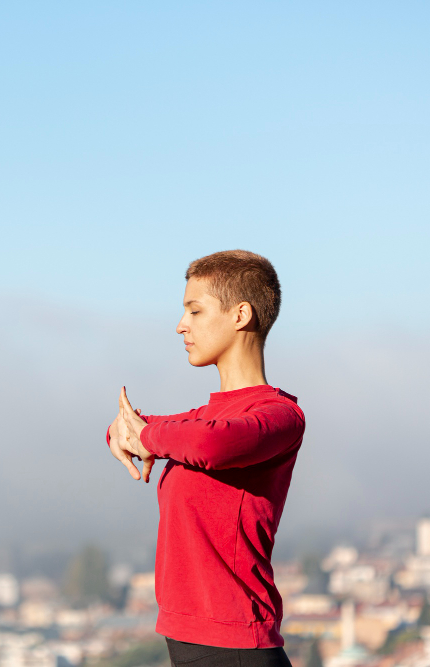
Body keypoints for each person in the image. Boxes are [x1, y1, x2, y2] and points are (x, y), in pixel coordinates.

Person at [107, 250, 305, 667]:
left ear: (241, 315)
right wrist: (122, 434)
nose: (181, 325)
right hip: (190, 644)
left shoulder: (278, 416)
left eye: (195, 311)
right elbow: (137, 428)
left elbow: (210, 446)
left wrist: (145, 435)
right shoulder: (200, 420)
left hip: (237, 648)